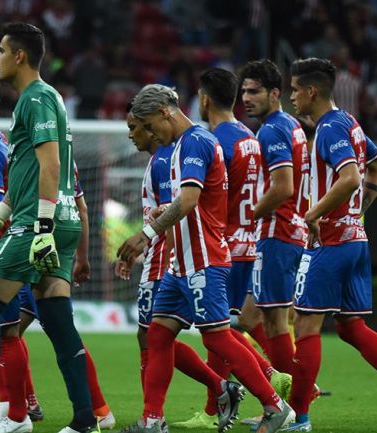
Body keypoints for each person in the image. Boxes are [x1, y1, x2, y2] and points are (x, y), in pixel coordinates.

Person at [0, 22, 97, 433]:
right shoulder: (42, 100)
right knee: (58, 320)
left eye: (0, 50)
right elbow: (24, 177)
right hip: (55, 220)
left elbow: (51, 164)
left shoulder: (37, 99)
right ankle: (87, 418)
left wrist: (42, 226)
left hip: (39, 223)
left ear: (20, 56)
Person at [117, 84, 294, 433]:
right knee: (158, 334)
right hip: (180, 263)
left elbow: (189, 201)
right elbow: (185, 203)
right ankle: (153, 419)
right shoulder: (180, 145)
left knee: (217, 336)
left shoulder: (197, 140)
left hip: (204, 259)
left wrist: (145, 235)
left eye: (151, 125)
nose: (150, 133)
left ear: (166, 112)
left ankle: (276, 407)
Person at [287, 58, 377, 433]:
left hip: (330, 242)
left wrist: (314, 214)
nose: (291, 97)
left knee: (305, 326)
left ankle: (298, 419)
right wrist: (358, 212)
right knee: (351, 327)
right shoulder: (348, 123)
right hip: (355, 239)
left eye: (295, 89)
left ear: (311, 91)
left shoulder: (331, 128)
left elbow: (351, 177)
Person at [174, 68, 292, 429]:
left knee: (216, 332)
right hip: (249, 240)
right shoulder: (251, 135)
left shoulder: (216, 141)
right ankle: (266, 378)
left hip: (223, 241)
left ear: (205, 100)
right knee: (225, 329)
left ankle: (217, 410)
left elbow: (213, 196)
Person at [119, 100, 243, 433]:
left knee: (202, 334)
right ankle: (155, 415)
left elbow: (183, 209)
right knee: (159, 334)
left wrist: (156, 247)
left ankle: (261, 390)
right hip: (175, 257)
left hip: (172, 258)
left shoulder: (169, 156)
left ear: (155, 122)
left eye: (137, 127)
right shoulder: (165, 156)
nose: (134, 135)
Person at [14, 161, 117, 430]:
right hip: (62, 242)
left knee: (3, 329)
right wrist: (82, 257)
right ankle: (95, 410)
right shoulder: (69, 161)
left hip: (34, 242)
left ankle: (5, 411)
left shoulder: (34, 156)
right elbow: (82, 209)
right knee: (61, 334)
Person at [237, 59, 309, 375]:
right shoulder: (292, 125)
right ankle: (285, 396)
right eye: (243, 92)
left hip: (278, 231)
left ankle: (286, 405)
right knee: (251, 317)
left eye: (255, 91)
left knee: (275, 320)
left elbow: (283, 187)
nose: (246, 99)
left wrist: (248, 217)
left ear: (275, 93)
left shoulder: (272, 131)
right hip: (290, 230)